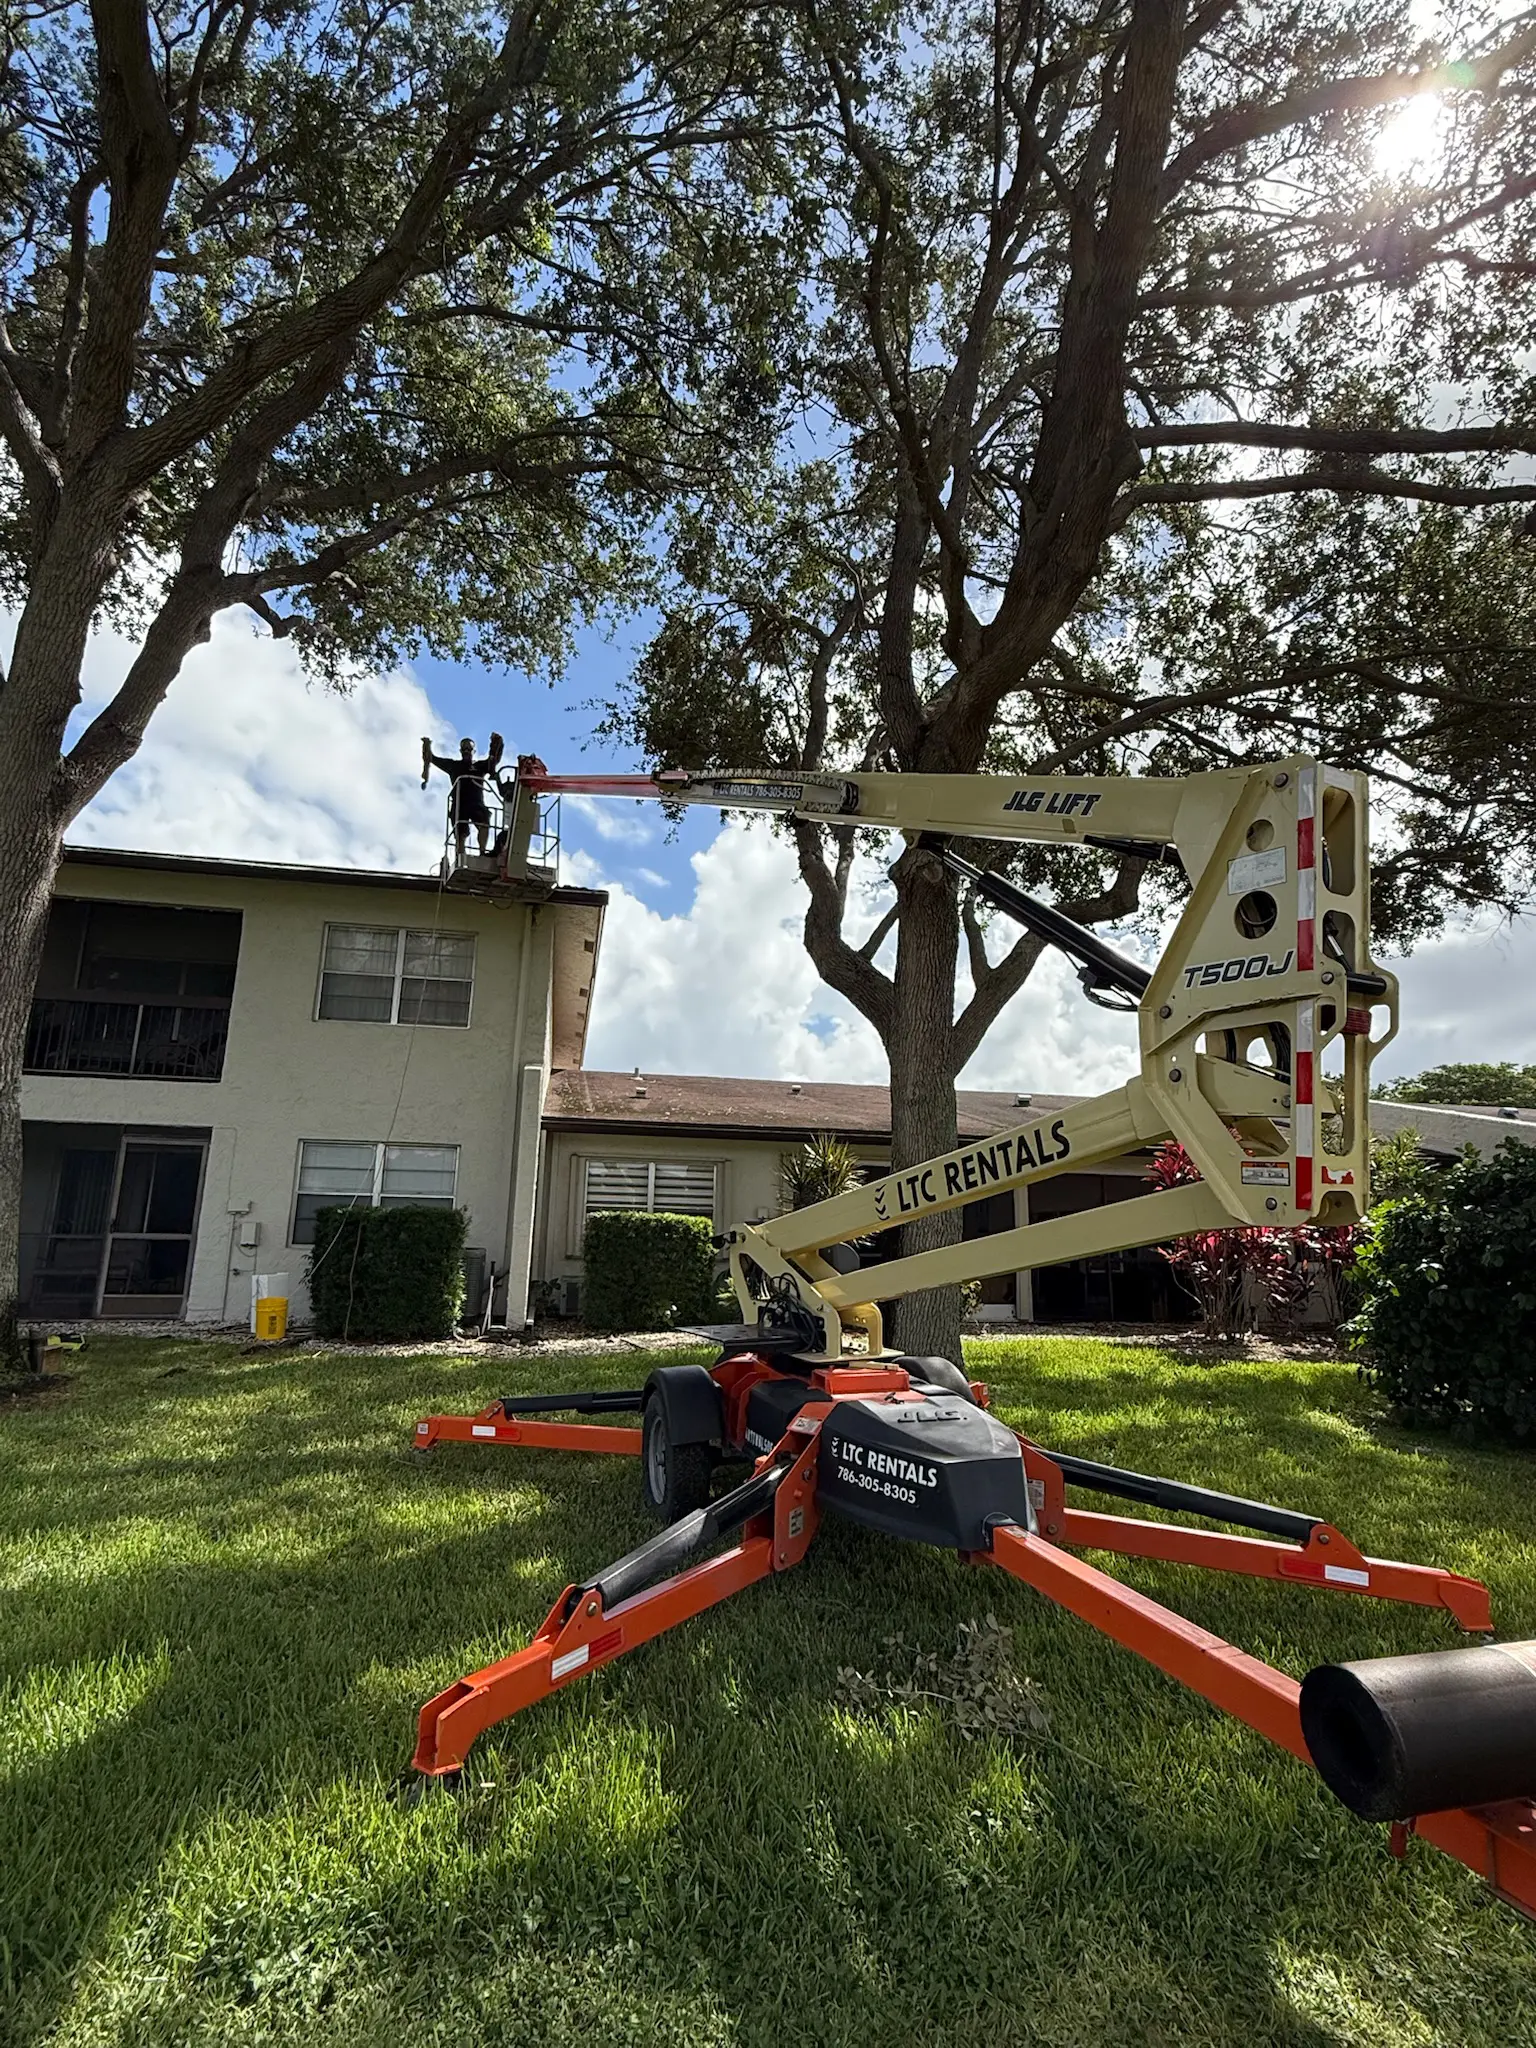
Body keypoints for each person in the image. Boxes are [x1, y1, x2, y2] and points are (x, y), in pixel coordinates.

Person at [421, 732, 504, 857]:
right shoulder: (454, 765)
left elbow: (493, 760)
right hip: (459, 804)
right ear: (460, 751)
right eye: (464, 749)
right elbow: (432, 758)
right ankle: (460, 856)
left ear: (473, 751)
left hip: (476, 803)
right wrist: (427, 746)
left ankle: (482, 852)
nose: (466, 751)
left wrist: (497, 744)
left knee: (484, 824)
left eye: (469, 749)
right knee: (460, 832)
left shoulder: (479, 766)